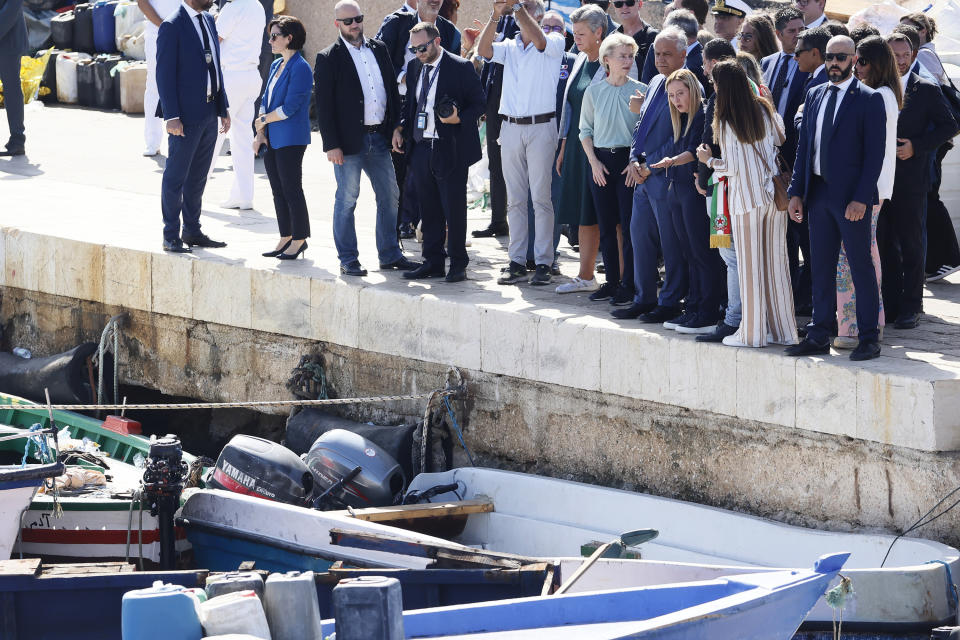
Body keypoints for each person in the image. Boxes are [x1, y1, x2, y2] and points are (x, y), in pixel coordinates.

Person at [786, 35, 887, 361]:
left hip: (851, 200)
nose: (834, 63)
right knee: (820, 266)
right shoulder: (814, 94)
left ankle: (869, 337)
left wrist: (861, 199)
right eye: (830, 57)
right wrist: (796, 192)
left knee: (860, 267)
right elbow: (804, 149)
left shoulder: (870, 99)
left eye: (841, 57)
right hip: (817, 194)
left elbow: (875, 156)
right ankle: (819, 332)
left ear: (854, 59)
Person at [696, 60, 796, 348]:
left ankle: (752, 334)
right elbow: (781, 137)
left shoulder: (726, 120)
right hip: (772, 198)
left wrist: (708, 161)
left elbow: (731, 167)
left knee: (750, 268)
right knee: (775, 265)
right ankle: (782, 331)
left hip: (745, 201)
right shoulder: (764, 108)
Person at [314, 1, 418, 275]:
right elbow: (324, 108)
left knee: (390, 196)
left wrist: (396, 127)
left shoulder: (379, 49)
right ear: (337, 24)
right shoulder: (328, 58)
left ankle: (390, 254)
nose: (354, 25)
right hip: (348, 144)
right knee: (347, 199)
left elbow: (392, 93)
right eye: (347, 21)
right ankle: (348, 259)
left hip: (380, 139)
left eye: (357, 19)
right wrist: (331, 145)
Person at [477, 0, 563, 287]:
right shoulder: (510, 46)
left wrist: (515, 7)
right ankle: (515, 261)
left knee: (540, 198)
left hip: (542, 127)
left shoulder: (554, 40)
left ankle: (543, 262)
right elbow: (483, 51)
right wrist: (495, 15)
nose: (518, 10)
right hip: (511, 126)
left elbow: (538, 39)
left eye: (524, 7)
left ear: (534, 15)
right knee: (515, 199)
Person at [393, 22, 484, 282]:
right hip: (421, 146)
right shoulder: (413, 67)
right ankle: (432, 261)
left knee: (453, 208)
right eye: (414, 48)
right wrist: (400, 127)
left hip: (450, 147)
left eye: (422, 47)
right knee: (428, 207)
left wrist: (459, 119)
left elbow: (479, 103)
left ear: (437, 41)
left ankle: (458, 263)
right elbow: (409, 103)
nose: (418, 53)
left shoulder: (460, 67)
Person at [876, 32, 957, 329]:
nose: (899, 60)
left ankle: (913, 305)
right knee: (883, 243)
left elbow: (950, 124)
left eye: (904, 55)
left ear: (912, 55)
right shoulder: (874, 85)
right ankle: (892, 304)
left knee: (911, 243)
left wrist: (917, 145)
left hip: (911, 179)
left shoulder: (925, 88)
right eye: (894, 55)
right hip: (879, 181)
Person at [619, 27, 692, 323]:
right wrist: (634, 159)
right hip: (642, 178)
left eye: (667, 54)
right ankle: (643, 298)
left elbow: (682, 137)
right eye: (657, 53)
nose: (660, 59)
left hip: (667, 178)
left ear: (683, 55)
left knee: (671, 243)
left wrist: (650, 164)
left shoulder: (688, 85)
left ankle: (671, 300)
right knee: (640, 238)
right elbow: (641, 127)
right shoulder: (654, 81)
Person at [831, 35, 898, 349]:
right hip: (872, 188)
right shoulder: (886, 94)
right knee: (864, 255)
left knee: (852, 259)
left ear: (874, 63)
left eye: (860, 61)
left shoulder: (877, 96)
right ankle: (867, 322)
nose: (854, 67)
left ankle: (855, 326)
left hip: (866, 189)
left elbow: (873, 151)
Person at [156, 0, 230, 253]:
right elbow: (163, 75)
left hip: (210, 111)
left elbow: (215, 68)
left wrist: (223, 107)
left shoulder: (209, 19)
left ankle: (192, 230)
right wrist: (172, 116)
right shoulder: (172, 25)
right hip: (185, 117)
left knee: (198, 177)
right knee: (176, 177)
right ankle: (170, 235)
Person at [653, 68, 723, 333]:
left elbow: (696, 152)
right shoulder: (679, 119)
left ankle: (707, 310)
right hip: (677, 190)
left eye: (680, 93)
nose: (676, 100)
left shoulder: (704, 113)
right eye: (671, 96)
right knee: (689, 253)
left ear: (693, 90)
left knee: (703, 253)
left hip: (694, 192)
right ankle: (693, 306)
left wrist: (671, 161)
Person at [578, 33, 644, 302]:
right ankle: (612, 282)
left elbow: (646, 132)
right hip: (601, 163)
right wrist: (593, 162)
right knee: (606, 226)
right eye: (622, 56)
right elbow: (585, 130)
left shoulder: (641, 90)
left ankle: (629, 284)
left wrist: (634, 160)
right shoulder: (593, 92)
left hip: (628, 163)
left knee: (629, 227)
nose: (628, 61)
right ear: (607, 60)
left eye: (631, 56)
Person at [554, 4, 613, 296]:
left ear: (599, 32)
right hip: (577, 148)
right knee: (582, 213)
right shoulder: (578, 59)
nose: (574, 38)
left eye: (580, 33)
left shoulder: (613, 61)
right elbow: (569, 108)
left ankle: (620, 279)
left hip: (602, 149)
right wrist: (564, 146)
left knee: (609, 217)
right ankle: (586, 275)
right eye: (574, 32)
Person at [253, 16, 313, 260]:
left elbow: (290, 108)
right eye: (270, 36)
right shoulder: (277, 64)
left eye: (275, 36)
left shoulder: (301, 67)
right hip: (272, 138)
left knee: (291, 189)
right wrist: (260, 133)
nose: (271, 40)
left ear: (290, 38)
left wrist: (264, 121)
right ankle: (285, 236)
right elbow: (265, 100)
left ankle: (299, 239)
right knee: (278, 190)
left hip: (291, 138)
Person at [695, 37, 739, 342]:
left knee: (731, 255)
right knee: (727, 254)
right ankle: (731, 311)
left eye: (706, 63)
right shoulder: (720, 98)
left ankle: (734, 318)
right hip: (717, 189)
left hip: (726, 189)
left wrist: (708, 165)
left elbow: (734, 157)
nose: (704, 69)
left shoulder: (733, 104)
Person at [206, 0, 266, 210]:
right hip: (250, 75)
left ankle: (195, 191)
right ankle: (243, 196)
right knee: (242, 138)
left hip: (231, 76)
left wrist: (214, 19)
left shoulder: (233, 7)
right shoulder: (257, 5)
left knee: (212, 136)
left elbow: (214, 40)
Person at [472, 5, 520, 240]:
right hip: (494, 102)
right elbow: (486, 58)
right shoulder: (499, 19)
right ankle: (498, 221)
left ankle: (521, 225)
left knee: (519, 168)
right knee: (495, 165)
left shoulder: (524, 16)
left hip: (516, 103)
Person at [138, 0, 181, 157]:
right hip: (157, 34)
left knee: (184, 85)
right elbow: (142, 3)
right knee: (155, 87)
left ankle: (181, 140)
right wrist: (164, 25)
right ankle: (152, 141)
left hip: (184, 33)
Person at [0, 0, 26, 156]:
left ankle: (17, 140)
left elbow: (11, 10)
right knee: (12, 89)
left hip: (9, 41)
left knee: (11, 90)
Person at [614, 0, 657, 72]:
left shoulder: (653, 37)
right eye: (619, 4)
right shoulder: (612, 37)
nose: (624, 7)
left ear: (639, 4)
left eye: (629, 2)